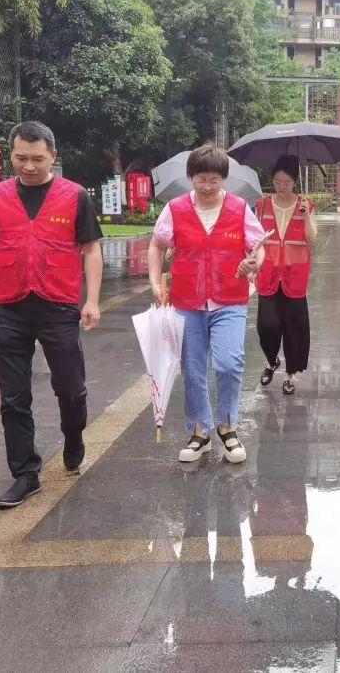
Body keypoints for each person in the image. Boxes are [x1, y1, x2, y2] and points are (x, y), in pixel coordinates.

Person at [0, 121, 104, 508]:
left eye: (36, 158)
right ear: (11, 155)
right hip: (9, 308)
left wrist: (92, 300)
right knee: (13, 398)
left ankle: (73, 435)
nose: (28, 166)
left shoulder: (75, 195)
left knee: (70, 389)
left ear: (53, 155)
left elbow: (91, 249)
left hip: (58, 306)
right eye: (20, 158)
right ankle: (25, 474)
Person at [147, 143, 265, 464]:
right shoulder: (175, 209)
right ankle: (200, 431)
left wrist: (254, 262)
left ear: (223, 179)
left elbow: (258, 247)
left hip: (230, 299)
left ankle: (227, 426)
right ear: (190, 177)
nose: (207, 187)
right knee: (193, 369)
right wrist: (155, 281)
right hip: (187, 302)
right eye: (201, 179)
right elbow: (157, 246)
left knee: (229, 363)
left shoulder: (241, 209)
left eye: (214, 180)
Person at [254, 155, 317, 395]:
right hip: (268, 272)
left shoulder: (305, 205)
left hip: (295, 275)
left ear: (295, 182)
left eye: (287, 182)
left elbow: (311, 239)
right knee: (267, 325)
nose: (281, 186)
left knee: (294, 327)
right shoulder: (261, 204)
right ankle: (272, 361)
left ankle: (289, 375)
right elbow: (254, 236)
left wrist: (306, 216)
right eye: (278, 181)